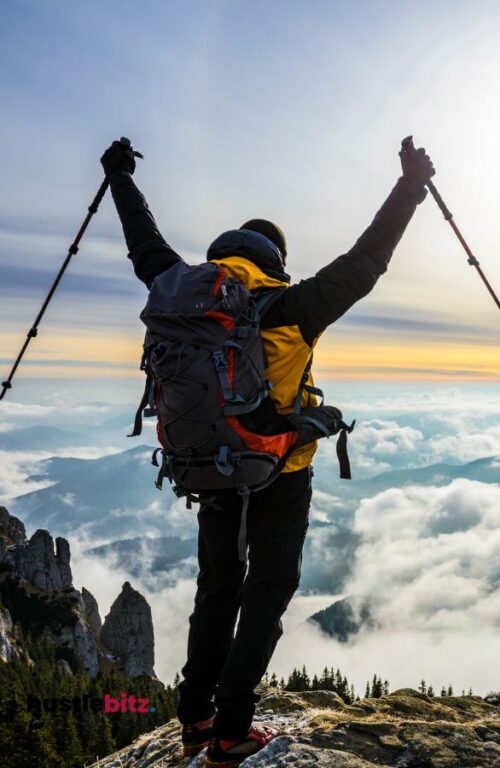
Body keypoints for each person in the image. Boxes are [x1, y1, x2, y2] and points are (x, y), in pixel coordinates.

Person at [100, 137, 435, 767]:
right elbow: (367, 260)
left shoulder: (177, 288)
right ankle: (231, 731)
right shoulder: (291, 306)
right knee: (267, 592)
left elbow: (141, 238)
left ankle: (196, 717)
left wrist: (119, 175)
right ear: (274, 259)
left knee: (216, 590)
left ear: (222, 258)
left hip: (208, 466)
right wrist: (410, 185)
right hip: (279, 470)